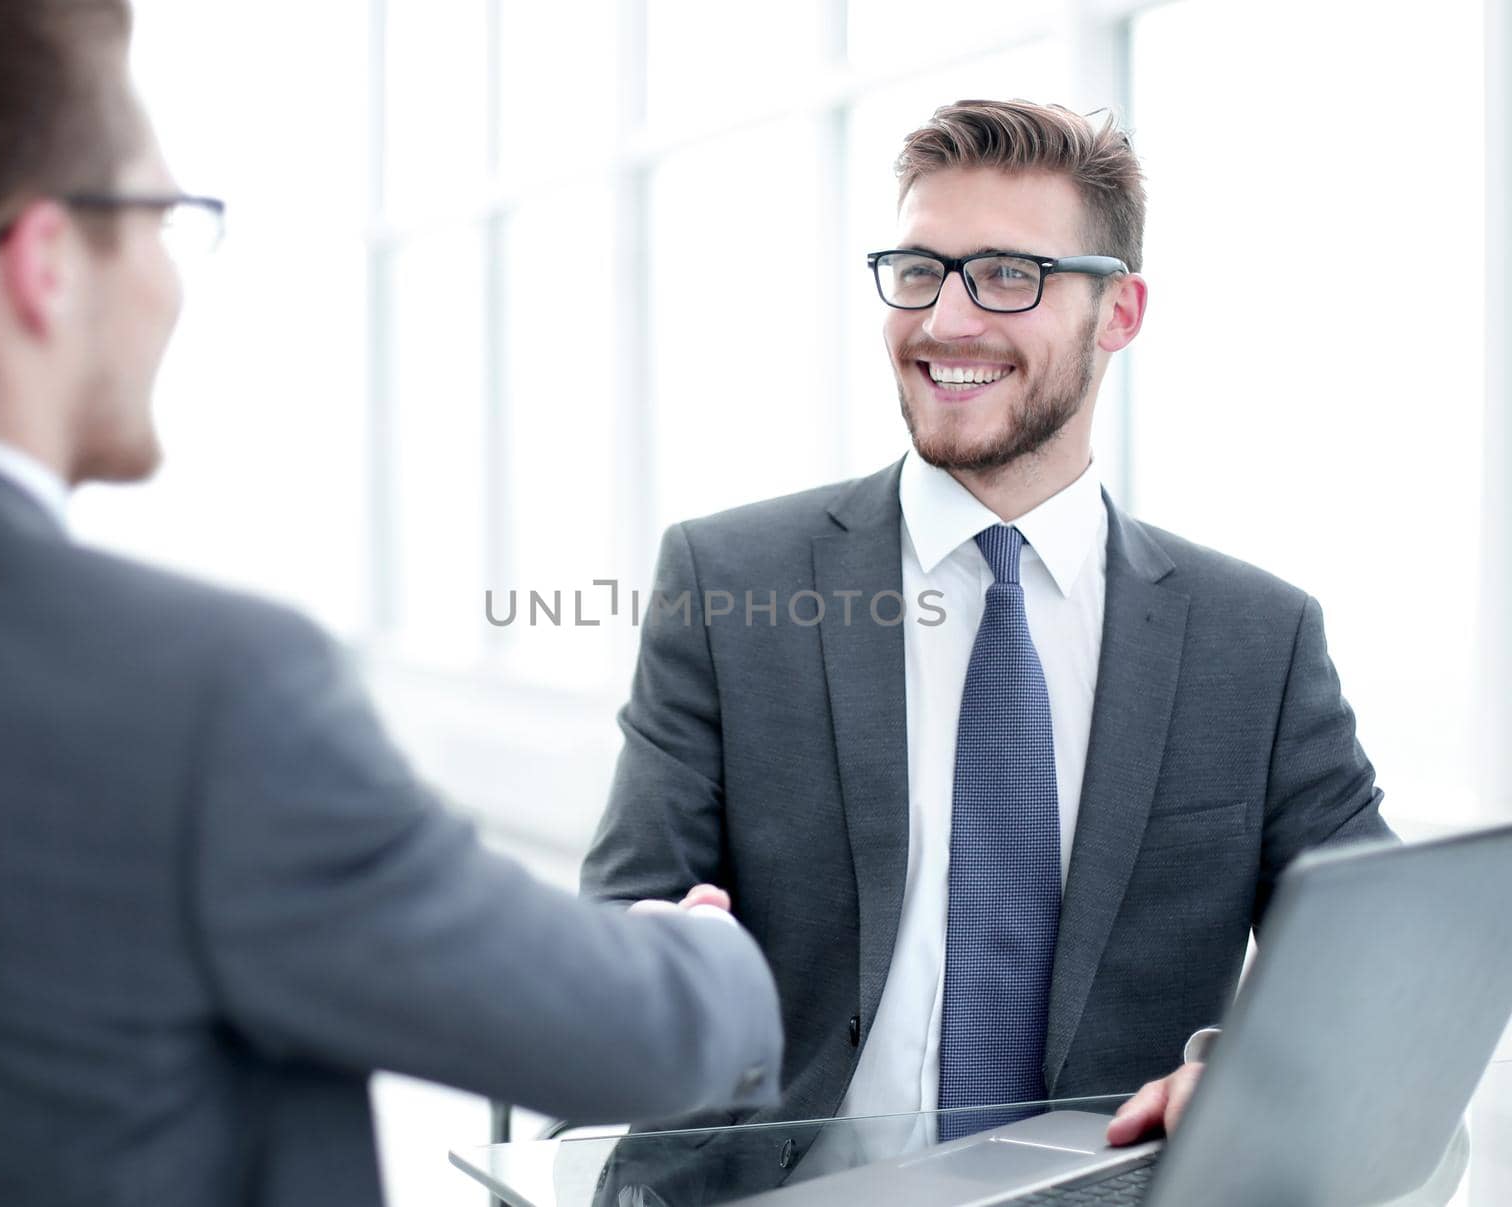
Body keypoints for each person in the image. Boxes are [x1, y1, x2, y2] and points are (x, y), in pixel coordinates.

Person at [0, 3, 782, 1204]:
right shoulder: (197, 695)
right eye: (161, 218)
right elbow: (614, 1030)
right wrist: (706, 956)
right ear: (44, 263)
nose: (168, 278)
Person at [582, 98, 1391, 1198]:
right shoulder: (730, 582)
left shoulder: (1256, 638)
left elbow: (1382, 967)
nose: (946, 321)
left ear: (1120, 311)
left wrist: (1241, 1068)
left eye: (1008, 274)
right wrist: (639, 959)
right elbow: (622, 915)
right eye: (919, 270)